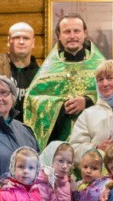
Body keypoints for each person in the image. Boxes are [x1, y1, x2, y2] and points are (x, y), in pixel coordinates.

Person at [23, 13, 105, 147]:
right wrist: (60, 107)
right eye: (67, 32)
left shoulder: (100, 66)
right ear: (59, 36)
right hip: (58, 141)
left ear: (85, 33)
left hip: (92, 140)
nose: (72, 36)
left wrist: (88, 101)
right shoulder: (49, 68)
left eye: (76, 31)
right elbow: (32, 100)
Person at [67, 60, 113, 162]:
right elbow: (74, 149)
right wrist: (96, 149)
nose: (105, 84)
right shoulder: (88, 114)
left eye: (110, 78)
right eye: (100, 79)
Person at [7, 23, 39, 121]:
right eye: (16, 37)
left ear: (33, 42)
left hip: (31, 132)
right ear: (9, 41)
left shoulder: (41, 76)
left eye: (26, 38)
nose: (21, 42)